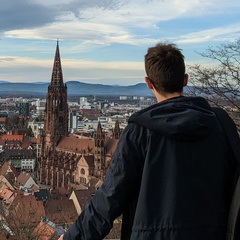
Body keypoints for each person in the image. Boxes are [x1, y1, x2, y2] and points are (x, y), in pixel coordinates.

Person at [58, 43, 236, 240]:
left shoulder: (139, 131)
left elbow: (108, 200)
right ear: (185, 80)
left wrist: (71, 237)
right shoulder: (221, 124)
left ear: (148, 83)